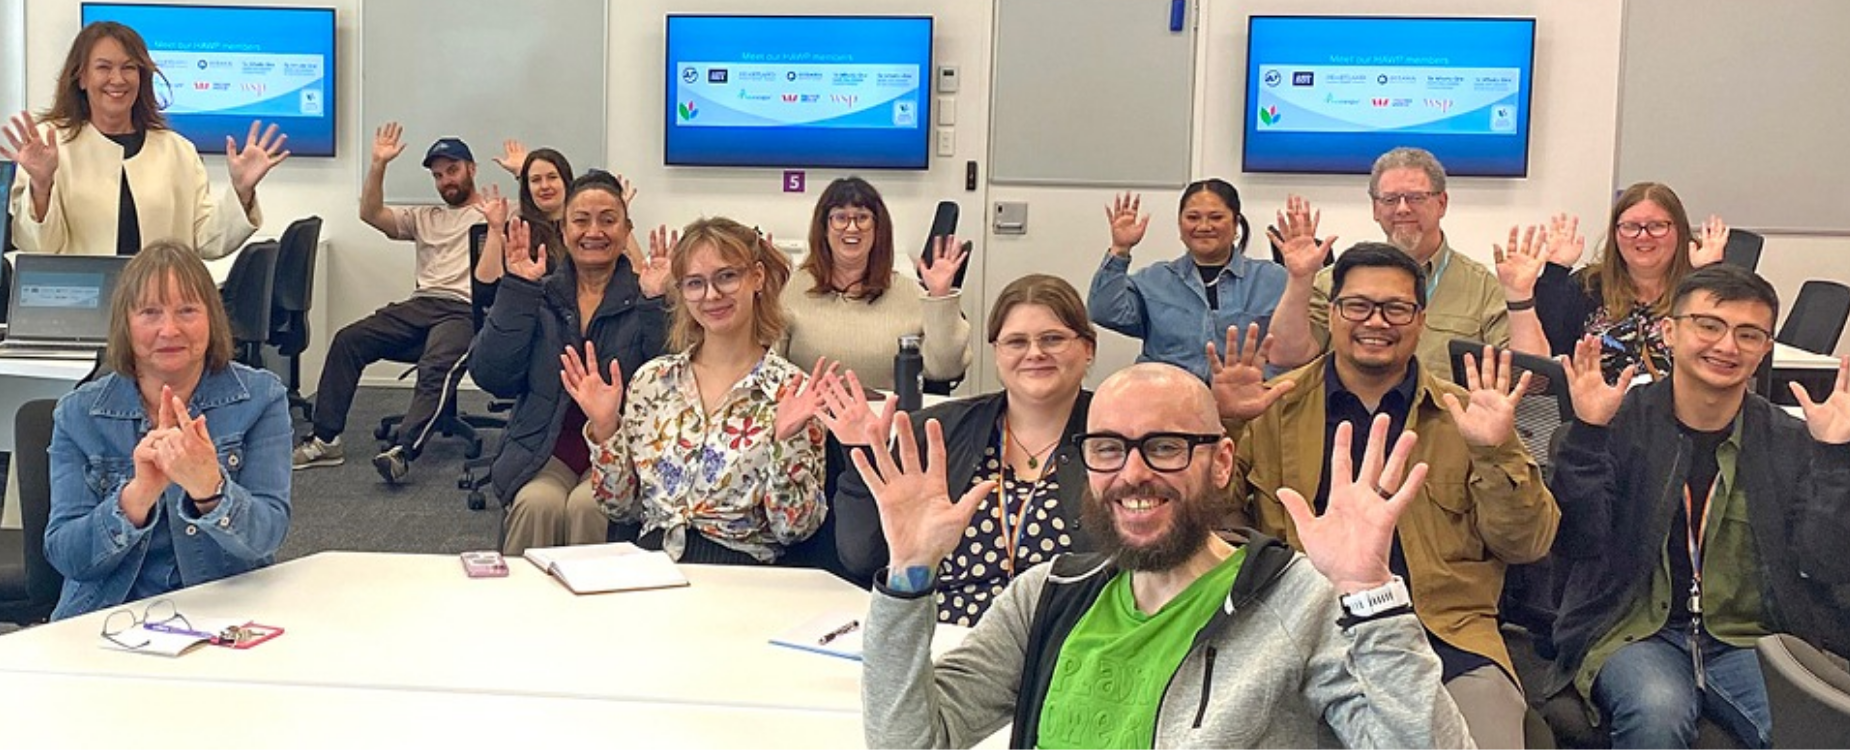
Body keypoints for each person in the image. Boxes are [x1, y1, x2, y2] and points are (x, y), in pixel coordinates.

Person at [852, 362, 1471, 748]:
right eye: (1108, 449)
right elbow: (908, 741)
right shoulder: (1048, 594)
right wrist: (909, 577)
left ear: (1221, 461)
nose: (1133, 474)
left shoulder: (1300, 599)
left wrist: (1370, 595)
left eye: (1166, 447)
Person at [1215, 243, 1559, 748]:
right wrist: (1224, 428)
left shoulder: (1468, 415)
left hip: (1446, 638)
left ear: (1420, 320)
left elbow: (1527, 545)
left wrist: (1494, 452)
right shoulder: (1270, 406)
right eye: (1357, 306)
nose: (1375, 321)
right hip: (1300, 636)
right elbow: (1215, 537)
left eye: (1396, 308)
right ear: (1331, 315)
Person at [1545, 264, 1850, 749]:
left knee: (1812, 729)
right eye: (1709, 325)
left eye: (1748, 334)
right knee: (1657, 714)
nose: (1727, 347)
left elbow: (1825, 561)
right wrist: (1588, 436)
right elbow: (1577, 540)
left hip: (1751, 634)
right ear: (1670, 331)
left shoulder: (1788, 440)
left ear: (1765, 348)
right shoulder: (1620, 424)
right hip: (1634, 628)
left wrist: (1834, 459)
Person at [825, 274, 1097, 621]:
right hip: (949, 642)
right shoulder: (937, 433)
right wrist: (863, 455)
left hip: (1067, 649)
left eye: (1053, 339)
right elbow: (862, 557)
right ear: (996, 353)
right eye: (1016, 341)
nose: (1035, 353)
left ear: (1088, 348)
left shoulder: (1119, 438)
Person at [43, 241, 291, 620]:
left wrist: (211, 491)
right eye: (150, 312)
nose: (169, 329)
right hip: (109, 616)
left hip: (224, 612)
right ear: (125, 323)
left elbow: (267, 536)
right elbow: (67, 557)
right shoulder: (78, 415)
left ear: (213, 318)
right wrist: (136, 498)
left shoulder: (260, 398)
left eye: (187, 310)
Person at [564, 217, 832, 564]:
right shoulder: (653, 382)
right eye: (695, 283)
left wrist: (786, 444)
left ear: (757, 278)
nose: (711, 295)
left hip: (743, 572)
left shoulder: (791, 391)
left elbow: (794, 529)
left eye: (726, 277)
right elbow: (620, 509)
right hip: (652, 565)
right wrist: (605, 429)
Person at [469, 172, 669, 555]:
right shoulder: (537, 293)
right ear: (562, 230)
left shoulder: (645, 297)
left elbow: (669, 389)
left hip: (620, 449)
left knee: (589, 506)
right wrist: (517, 291)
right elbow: (491, 375)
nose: (594, 231)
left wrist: (656, 305)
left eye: (608, 220)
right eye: (581, 220)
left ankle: (593, 614)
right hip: (545, 447)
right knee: (535, 504)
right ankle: (526, 611)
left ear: (626, 231)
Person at [292, 123, 485, 484]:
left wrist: (523, 176)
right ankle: (325, 439)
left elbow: (544, 220)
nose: (446, 181)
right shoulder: (425, 217)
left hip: (462, 310)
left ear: (471, 169)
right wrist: (378, 164)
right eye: (439, 175)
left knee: (434, 366)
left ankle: (403, 451)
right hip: (421, 305)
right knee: (349, 340)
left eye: (453, 171)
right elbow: (370, 213)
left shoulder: (494, 213)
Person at [2, 21, 288, 258]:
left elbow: (205, 241)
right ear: (82, 78)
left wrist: (241, 192)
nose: (118, 79)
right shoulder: (49, 144)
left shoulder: (177, 151)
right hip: (79, 309)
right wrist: (41, 185)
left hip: (159, 310)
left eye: (129, 67)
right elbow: (39, 247)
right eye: (103, 67)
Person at [1267, 147, 1509, 375]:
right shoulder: (1334, 279)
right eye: (1390, 199)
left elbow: (1526, 376)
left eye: (1415, 197)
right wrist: (1300, 280)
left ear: (1442, 203)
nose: (1402, 209)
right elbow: (1285, 356)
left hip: (1441, 416)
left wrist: (1521, 298)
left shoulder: (1482, 287)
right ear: (1375, 208)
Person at [1496, 182, 1732, 382]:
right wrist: (1554, 272)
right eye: (1630, 227)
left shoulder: (1698, 288)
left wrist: (1709, 275)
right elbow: (1540, 368)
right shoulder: (1587, 286)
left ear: (1680, 231)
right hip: (1597, 421)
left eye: (1657, 226)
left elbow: (1724, 350)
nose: (1643, 236)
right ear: (1615, 233)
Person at [1088, 179, 1289, 381]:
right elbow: (1104, 312)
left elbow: (1293, 352)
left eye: (1216, 217)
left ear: (1236, 223)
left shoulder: (1272, 279)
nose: (1203, 226)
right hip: (1166, 400)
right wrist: (1120, 250)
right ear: (1180, 224)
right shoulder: (1155, 280)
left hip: (1246, 400)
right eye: (1192, 217)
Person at [781, 176, 971, 391]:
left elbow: (945, 369)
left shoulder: (909, 294)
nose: (852, 228)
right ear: (824, 228)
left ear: (878, 229)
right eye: (840, 218)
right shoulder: (792, 290)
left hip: (884, 418)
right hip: (808, 417)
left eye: (862, 218)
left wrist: (939, 296)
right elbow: (765, 364)